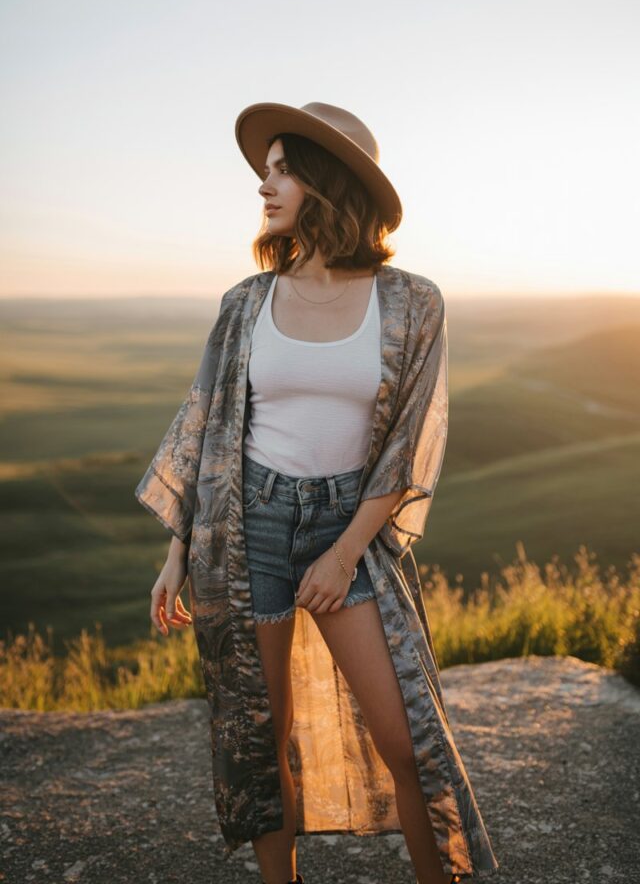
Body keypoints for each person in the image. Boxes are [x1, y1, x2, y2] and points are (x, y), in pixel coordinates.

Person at [138, 102, 499, 884]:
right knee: (263, 740)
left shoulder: (412, 303)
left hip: (352, 529)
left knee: (407, 741)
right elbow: (203, 429)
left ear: (326, 179)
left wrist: (342, 554)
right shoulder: (244, 303)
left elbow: (406, 448)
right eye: (264, 171)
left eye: (281, 168)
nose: (263, 185)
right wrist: (178, 554)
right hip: (249, 528)